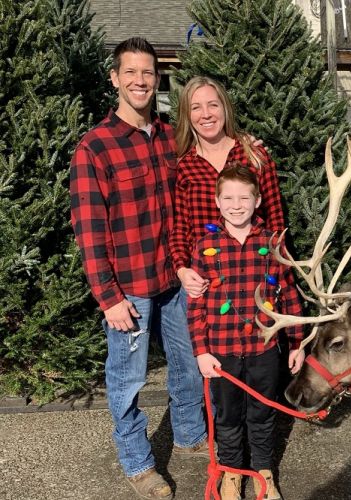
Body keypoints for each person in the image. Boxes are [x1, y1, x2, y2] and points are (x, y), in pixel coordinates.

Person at [70, 38, 207, 500]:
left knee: (188, 364)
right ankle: (137, 461)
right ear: (115, 79)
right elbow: (89, 228)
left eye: (147, 73)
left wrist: (247, 147)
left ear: (157, 78)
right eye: (130, 73)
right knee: (127, 379)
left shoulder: (171, 135)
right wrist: (108, 297)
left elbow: (210, 160)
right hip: (128, 289)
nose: (140, 81)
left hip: (175, 278)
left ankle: (190, 436)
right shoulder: (96, 147)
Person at [188, 163, 306, 500]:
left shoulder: (273, 242)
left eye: (244, 197)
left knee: (262, 412)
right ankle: (230, 471)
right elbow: (195, 306)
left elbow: (289, 293)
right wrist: (201, 350)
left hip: (264, 349)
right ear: (217, 201)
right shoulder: (205, 245)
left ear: (257, 201)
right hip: (221, 350)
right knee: (227, 416)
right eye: (228, 197)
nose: (236, 205)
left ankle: (262, 471)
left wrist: (297, 344)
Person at [169, 76, 285, 300]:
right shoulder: (185, 166)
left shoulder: (254, 156)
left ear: (225, 108)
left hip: (254, 275)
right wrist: (182, 270)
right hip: (206, 280)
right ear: (187, 115)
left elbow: (276, 222)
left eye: (213, 105)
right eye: (196, 107)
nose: (206, 114)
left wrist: (279, 271)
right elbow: (181, 229)